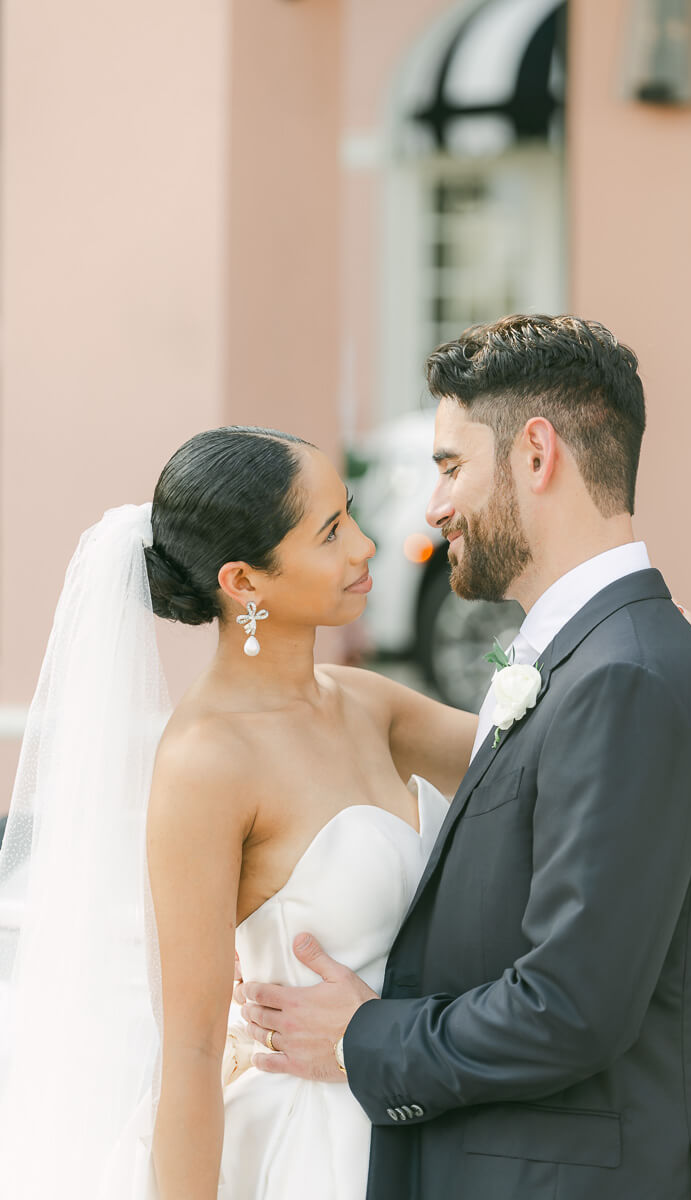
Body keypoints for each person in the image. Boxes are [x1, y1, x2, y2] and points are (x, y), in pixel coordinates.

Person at [236, 316, 691, 1200]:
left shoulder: (621, 677)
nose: (434, 507)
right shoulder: (586, 661)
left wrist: (362, 1038)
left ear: (534, 454)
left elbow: (570, 1007)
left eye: (449, 467)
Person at [0, 426, 477, 1200]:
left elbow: (542, 758)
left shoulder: (368, 704)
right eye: (329, 533)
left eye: (350, 515)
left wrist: (623, 663)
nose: (365, 548)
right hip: (309, 1151)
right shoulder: (206, 763)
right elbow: (187, 1052)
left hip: (422, 1121)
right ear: (244, 582)